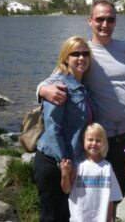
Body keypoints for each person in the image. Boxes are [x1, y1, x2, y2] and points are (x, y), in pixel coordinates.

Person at [37, 0, 125, 221]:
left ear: (115, 21)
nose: (105, 24)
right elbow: (53, 78)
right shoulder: (82, 52)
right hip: (97, 140)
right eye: (100, 19)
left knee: (120, 192)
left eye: (110, 19)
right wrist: (42, 91)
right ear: (90, 21)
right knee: (91, 195)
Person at [34, 36, 94, 222]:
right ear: (65, 58)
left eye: (85, 53)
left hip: (71, 162)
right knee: (52, 216)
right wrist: (66, 164)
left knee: (69, 215)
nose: (81, 57)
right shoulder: (59, 86)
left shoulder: (82, 85)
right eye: (75, 53)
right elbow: (53, 130)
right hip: (55, 163)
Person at [60, 123, 122, 222]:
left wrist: (108, 219)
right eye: (90, 139)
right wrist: (64, 174)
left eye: (98, 140)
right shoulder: (78, 166)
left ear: (104, 143)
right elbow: (66, 190)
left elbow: (111, 198)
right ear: (83, 140)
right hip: (79, 218)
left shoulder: (107, 167)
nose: (94, 143)